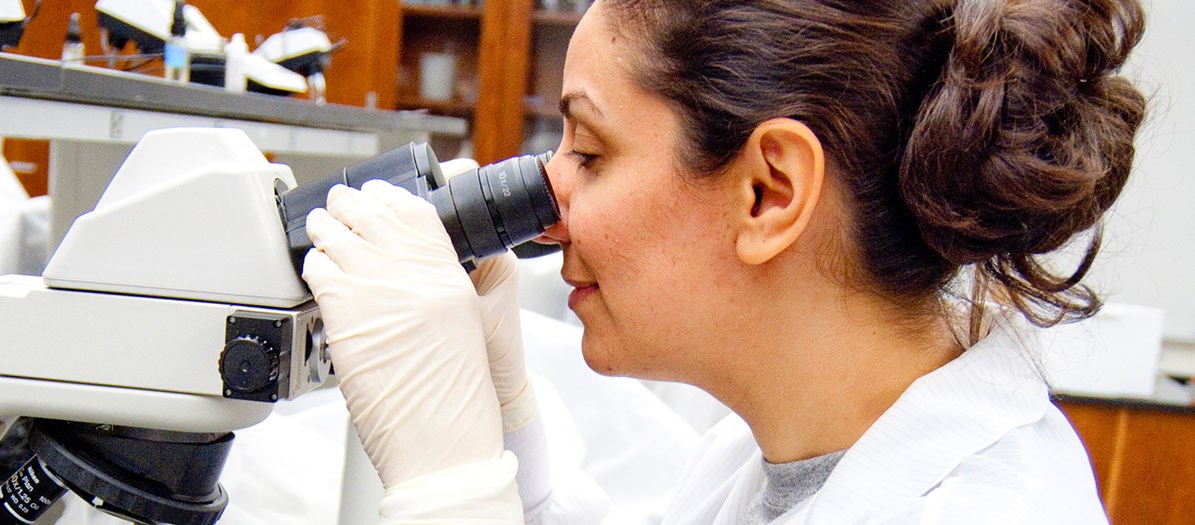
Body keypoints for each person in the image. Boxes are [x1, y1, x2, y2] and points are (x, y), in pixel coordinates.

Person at [300, 0, 1148, 522]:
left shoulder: (981, 513)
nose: (547, 209)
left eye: (590, 153)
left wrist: (448, 491)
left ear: (770, 192)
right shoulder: (776, 458)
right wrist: (503, 424)